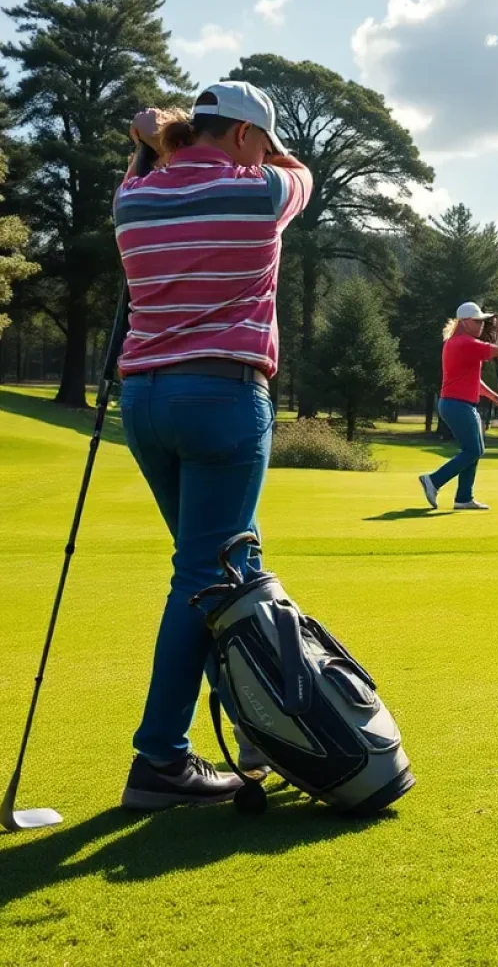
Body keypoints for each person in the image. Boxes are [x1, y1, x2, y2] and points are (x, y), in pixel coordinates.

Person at [113, 82, 312, 810]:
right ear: (242, 140)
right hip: (222, 398)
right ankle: (160, 759)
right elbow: (299, 172)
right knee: (205, 576)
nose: (264, 155)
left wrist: (154, 141)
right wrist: (257, 147)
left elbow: (143, 171)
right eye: (258, 142)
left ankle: (259, 728)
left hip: (144, 403)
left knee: (230, 568)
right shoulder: (263, 193)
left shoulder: (132, 200)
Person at [419, 302, 498, 511]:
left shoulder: (459, 343)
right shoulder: (465, 343)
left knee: (474, 450)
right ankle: (433, 481)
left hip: (458, 403)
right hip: (457, 404)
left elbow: (472, 380)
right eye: (478, 321)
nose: (481, 325)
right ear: (466, 322)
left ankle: (463, 498)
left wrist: (493, 396)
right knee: (473, 450)